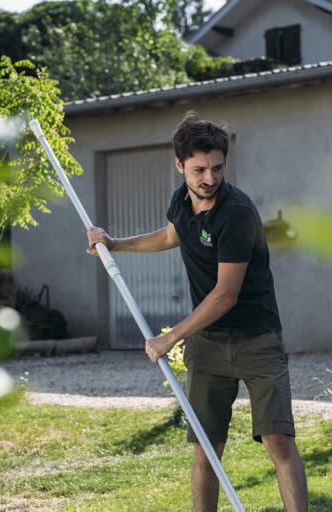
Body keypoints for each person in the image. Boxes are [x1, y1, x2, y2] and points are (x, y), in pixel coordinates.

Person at [86, 111, 308, 511]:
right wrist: (114, 244)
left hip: (257, 339)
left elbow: (226, 294)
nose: (209, 178)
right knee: (206, 447)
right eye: (199, 169)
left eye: (218, 168)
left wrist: (170, 338)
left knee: (279, 442)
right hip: (208, 345)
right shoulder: (181, 201)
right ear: (180, 165)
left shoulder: (236, 213)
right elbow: (172, 235)